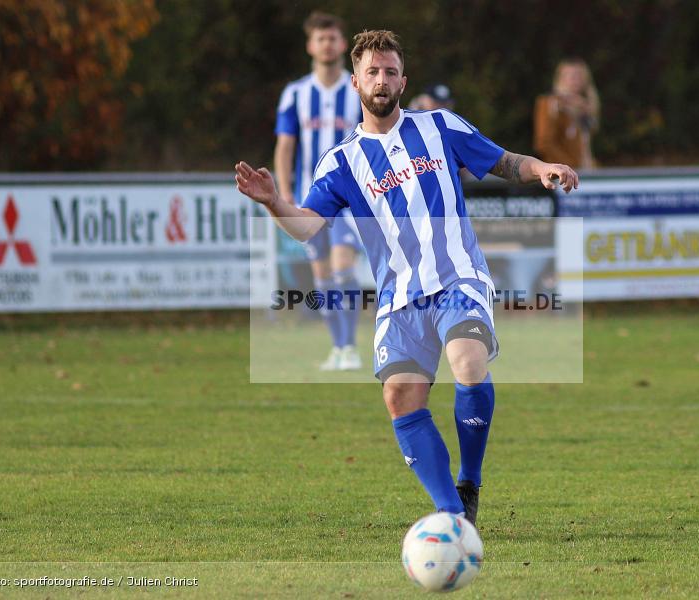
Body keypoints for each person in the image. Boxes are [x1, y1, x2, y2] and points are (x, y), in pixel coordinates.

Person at [237, 30, 578, 525]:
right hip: (399, 296)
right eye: (372, 72)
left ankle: (470, 481)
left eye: (391, 71)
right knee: (399, 395)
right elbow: (308, 229)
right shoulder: (341, 163)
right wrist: (273, 202)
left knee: (467, 362)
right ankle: (451, 516)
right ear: (355, 82)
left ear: (403, 80)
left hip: (457, 277)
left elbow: (503, 161)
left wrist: (542, 167)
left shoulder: (439, 126)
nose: (382, 80)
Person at [273, 11, 364, 371]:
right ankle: (339, 347)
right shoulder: (295, 94)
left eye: (333, 38)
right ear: (311, 45)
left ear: (343, 44)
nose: (327, 44)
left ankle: (352, 346)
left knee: (343, 268)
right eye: (320, 38)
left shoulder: (358, 89)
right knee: (323, 277)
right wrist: (284, 196)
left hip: (350, 199)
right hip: (310, 200)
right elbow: (285, 146)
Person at [533, 58, 600, 169]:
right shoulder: (550, 103)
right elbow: (544, 144)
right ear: (560, 78)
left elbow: (584, 146)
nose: (575, 80)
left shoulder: (585, 106)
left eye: (579, 76)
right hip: (562, 174)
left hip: (584, 171)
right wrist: (568, 168)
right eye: (571, 75)